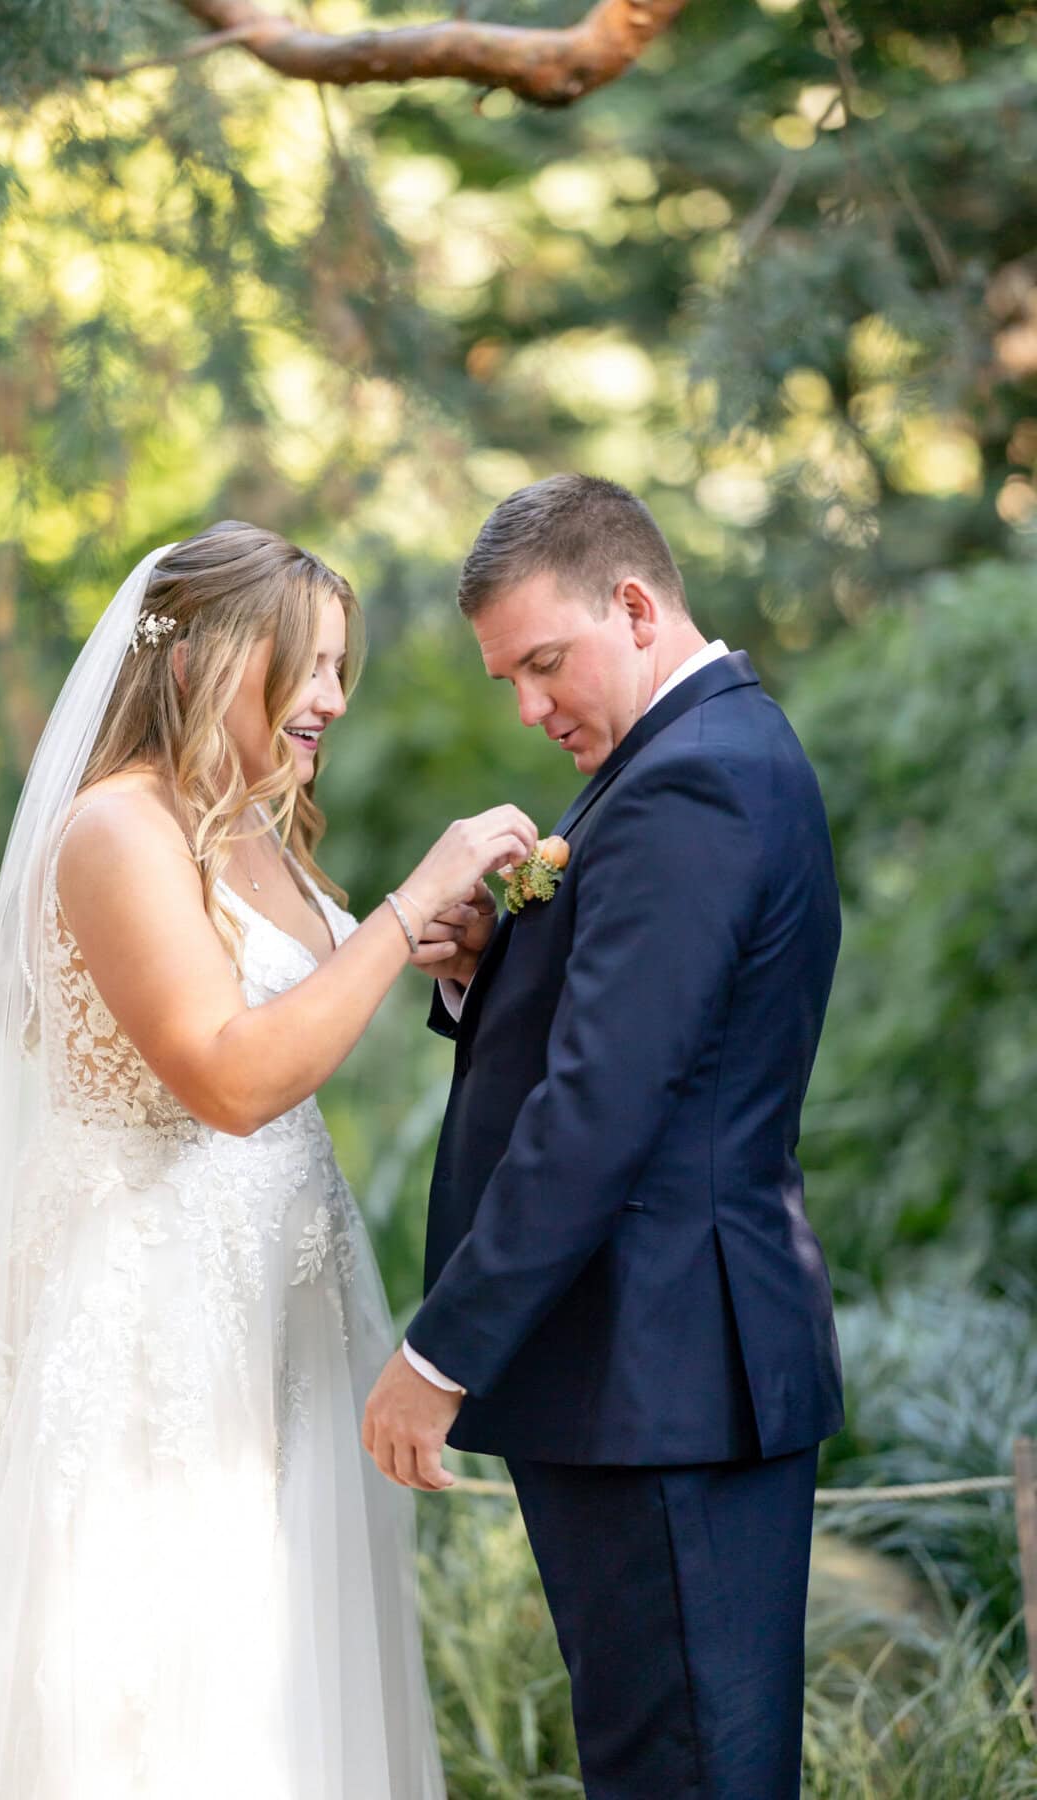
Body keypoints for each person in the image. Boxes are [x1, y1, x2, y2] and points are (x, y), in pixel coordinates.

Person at [0, 520, 537, 1799]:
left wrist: (440, 951)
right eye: (306, 667)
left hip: (283, 1318)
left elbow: (310, 999)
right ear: (200, 663)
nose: (333, 699)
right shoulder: (115, 832)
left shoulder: (257, 826)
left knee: (289, 1686)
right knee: (164, 1689)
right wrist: (407, 903)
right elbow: (231, 1076)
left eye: (340, 668)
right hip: (159, 1329)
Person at [363, 474, 844, 1799]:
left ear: (636, 607)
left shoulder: (695, 782)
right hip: (650, 1378)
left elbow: (603, 1106)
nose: (527, 705)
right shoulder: (687, 763)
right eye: (505, 677)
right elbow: (627, 1045)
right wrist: (477, 972)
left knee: (680, 1773)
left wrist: (442, 1347)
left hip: (666, 1375)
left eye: (543, 661)